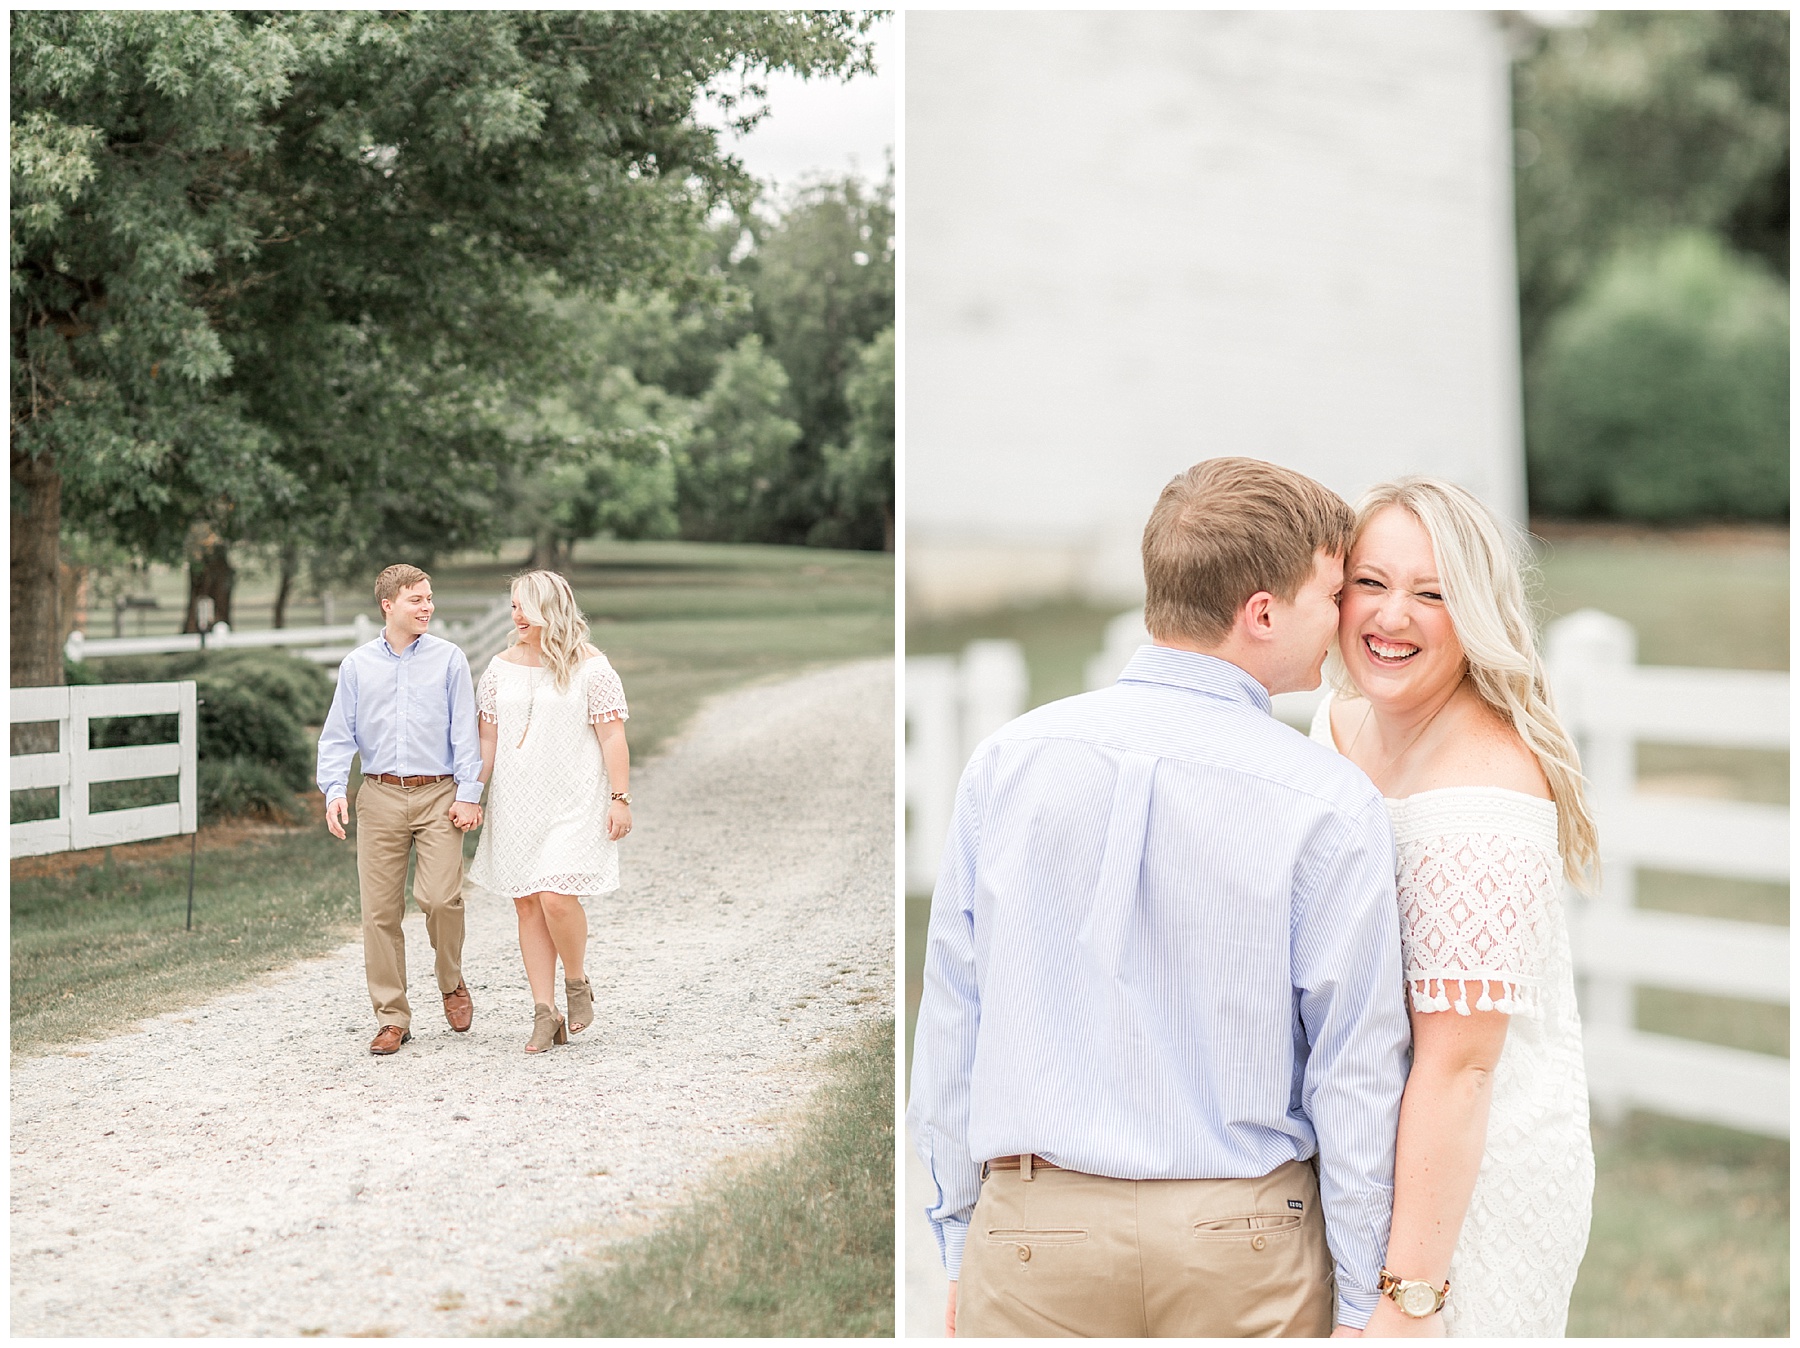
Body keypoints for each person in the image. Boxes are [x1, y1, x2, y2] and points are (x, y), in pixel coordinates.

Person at [908, 457, 1412, 1337]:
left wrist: (960, 1230)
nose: (1344, 622)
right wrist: (1366, 1296)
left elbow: (955, 1015)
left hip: (1035, 1234)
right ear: (1262, 613)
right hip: (1245, 1239)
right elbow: (1354, 1068)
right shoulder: (1327, 800)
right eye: (1331, 595)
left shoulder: (1009, 761)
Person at [1310, 478, 1595, 1337]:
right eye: (1373, 582)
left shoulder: (1486, 791)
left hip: (1468, 1190)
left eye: (1432, 595)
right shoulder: (1334, 726)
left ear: (1475, 615)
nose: (1392, 616)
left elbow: (1461, 1068)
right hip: (1357, 1164)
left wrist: (1409, 1297)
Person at [316, 564, 484, 1056]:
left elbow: (465, 734)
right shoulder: (357, 666)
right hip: (380, 795)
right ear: (388, 605)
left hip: (439, 793)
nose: (427, 606)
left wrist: (469, 793)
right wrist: (334, 790)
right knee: (380, 914)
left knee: (439, 898)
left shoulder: (450, 660)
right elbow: (337, 736)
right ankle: (392, 1017)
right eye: (416, 599)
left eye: (429, 598)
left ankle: (451, 980)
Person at [466, 570, 632, 1054]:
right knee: (527, 902)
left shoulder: (592, 667)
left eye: (523, 606)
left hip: (576, 798)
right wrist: (472, 793)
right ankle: (545, 1012)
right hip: (517, 801)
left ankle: (576, 983)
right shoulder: (500, 667)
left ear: (549, 609)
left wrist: (620, 799)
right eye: (513, 606)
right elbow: (488, 739)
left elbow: (613, 736)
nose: (514, 615)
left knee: (557, 895)